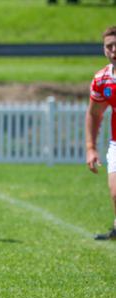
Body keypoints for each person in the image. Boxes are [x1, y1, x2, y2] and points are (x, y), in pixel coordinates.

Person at [86, 25, 116, 240]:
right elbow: (94, 114)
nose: (114, 50)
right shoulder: (102, 79)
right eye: (109, 46)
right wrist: (91, 148)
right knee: (115, 193)